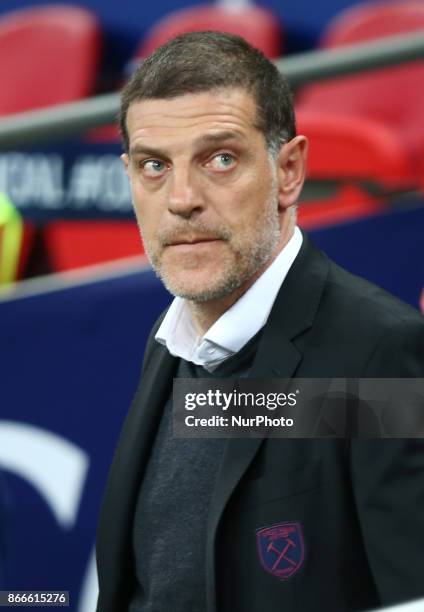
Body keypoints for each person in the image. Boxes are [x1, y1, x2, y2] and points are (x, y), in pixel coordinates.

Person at [96, 31, 424, 612]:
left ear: (290, 171)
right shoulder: (171, 341)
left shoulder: (380, 351)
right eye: (154, 165)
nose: (182, 198)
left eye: (220, 158)